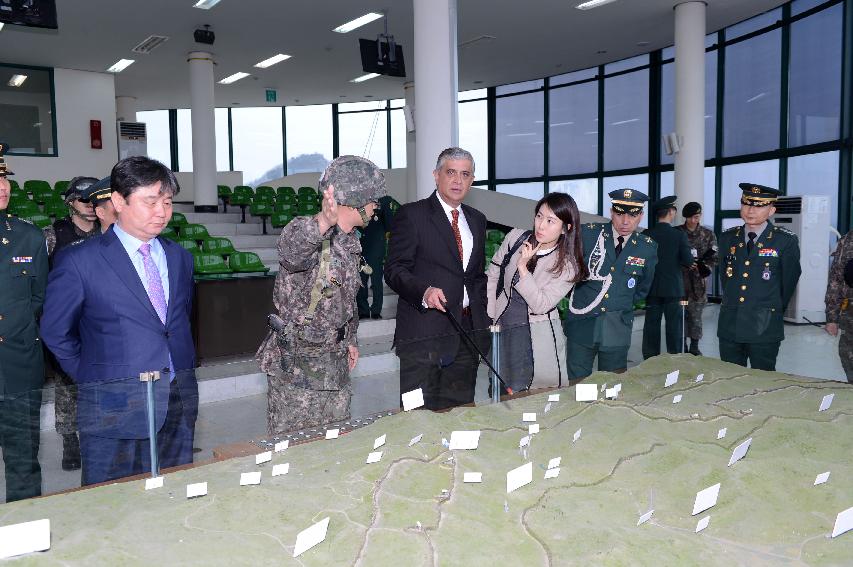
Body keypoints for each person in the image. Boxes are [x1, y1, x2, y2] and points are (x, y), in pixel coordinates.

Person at [41, 156, 198, 486]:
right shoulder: (80, 260)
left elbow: (175, 324)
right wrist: (91, 376)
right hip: (112, 407)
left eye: (167, 202)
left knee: (174, 497)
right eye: (150, 201)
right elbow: (55, 331)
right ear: (117, 201)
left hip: (176, 401)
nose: (162, 211)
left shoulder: (179, 258)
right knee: (111, 505)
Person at [256, 155, 384, 434]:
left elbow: (344, 300)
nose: (377, 206)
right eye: (374, 199)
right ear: (357, 199)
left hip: (333, 363)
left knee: (334, 446)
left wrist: (349, 338)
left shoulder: (350, 242)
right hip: (298, 370)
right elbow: (291, 251)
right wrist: (323, 221)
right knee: (294, 450)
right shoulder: (310, 232)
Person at [385, 147, 489, 410]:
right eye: (450, 172)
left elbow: (475, 277)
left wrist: (483, 318)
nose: (457, 180)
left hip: (466, 335)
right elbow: (395, 270)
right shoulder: (413, 215)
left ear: (472, 180)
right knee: (416, 415)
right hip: (424, 336)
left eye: (465, 174)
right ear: (436, 175)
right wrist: (424, 291)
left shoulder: (477, 220)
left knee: (461, 412)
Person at [486, 193, 588, 392]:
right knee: (497, 387)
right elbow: (494, 270)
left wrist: (523, 267)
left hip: (535, 337)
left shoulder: (568, 265)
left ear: (566, 228)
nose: (541, 225)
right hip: (503, 328)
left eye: (551, 221)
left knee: (528, 394)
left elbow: (540, 304)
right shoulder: (516, 237)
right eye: (539, 216)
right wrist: (490, 313)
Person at [563, 189, 658, 381]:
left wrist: (617, 302)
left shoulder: (647, 247)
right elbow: (567, 270)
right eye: (620, 213)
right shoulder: (588, 235)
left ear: (641, 216)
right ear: (611, 212)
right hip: (583, 324)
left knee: (611, 386)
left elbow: (642, 288)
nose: (625, 221)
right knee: (578, 385)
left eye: (632, 215)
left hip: (617, 327)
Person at [0, 148, 49, 502]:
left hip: (18, 363)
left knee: (22, 455)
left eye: (4, 179)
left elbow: (38, 299)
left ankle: (24, 520)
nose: (3, 187)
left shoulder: (28, 237)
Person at [42, 176, 100, 472]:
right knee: (67, 386)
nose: (89, 207)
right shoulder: (53, 235)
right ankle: (70, 440)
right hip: (68, 322)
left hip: (99, 323)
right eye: (82, 201)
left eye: (93, 200)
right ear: (69, 203)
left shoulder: (110, 232)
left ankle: (97, 435)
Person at [717, 183, 801, 371]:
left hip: (764, 326)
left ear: (771, 210)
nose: (751, 210)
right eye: (746, 204)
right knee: (728, 379)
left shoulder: (785, 240)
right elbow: (726, 278)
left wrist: (770, 308)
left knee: (763, 382)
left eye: (759, 205)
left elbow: (788, 284)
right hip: (730, 323)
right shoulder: (727, 238)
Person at [641, 196, 694, 359]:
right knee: (674, 327)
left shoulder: (646, 234)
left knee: (651, 326)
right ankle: (675, 360)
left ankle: (650, 360)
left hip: (652, 288)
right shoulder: (679, 235)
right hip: (673, 289)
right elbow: (688, 261)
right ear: (670, 212)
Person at [676, 201, 718, 355]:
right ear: (685, 218)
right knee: (680, 314)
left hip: (698, 284)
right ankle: (682, 345)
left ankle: (694, 346)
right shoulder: (677, 233)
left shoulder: (708, 234)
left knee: (695, 315)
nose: (695, 220)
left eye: (698, 217)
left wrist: (705, 269)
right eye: (692, 217)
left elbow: (714, 257)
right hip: (679, 282)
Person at [357, 195, 397, 320]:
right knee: (361, 281)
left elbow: (390, 225)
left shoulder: (383, 201)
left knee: (376, 280)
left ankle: (376, 310)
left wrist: (385, 207)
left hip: (376, 245)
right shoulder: (358, 198)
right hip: (360, 245)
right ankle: (363, 310)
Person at [824, 230, 853, 383]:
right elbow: (836, 279)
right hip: (850, 318)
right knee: (848, 358)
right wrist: (832, 318)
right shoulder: (848, 240)